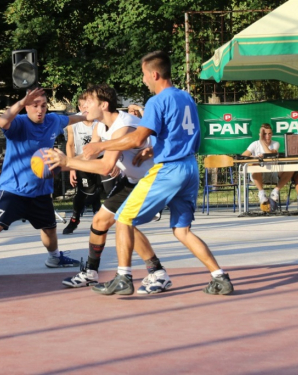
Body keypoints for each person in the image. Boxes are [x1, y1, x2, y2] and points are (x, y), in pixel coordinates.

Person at [82, 51, 234, 296]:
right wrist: (155, 147)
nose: (143, 80)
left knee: (123, 218)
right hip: (190, 167)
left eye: (144, 75)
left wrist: (101, 145)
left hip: (170, 169)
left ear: (154, 74)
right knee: (181, 231)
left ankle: (123, 276)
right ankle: (220, 277)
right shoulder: (187, 97)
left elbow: (136, 138)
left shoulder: (157, 101)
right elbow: (181, 134)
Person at [46, 84, 172, 294]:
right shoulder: (99, 126)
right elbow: (89, 156)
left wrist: (67, 161)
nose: (83, 106)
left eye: (89, 102)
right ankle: (92, 273)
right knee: (100, 220)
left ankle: (158, 273)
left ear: (103, 105)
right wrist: (61, 164)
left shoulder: (124, 125)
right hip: (132, 180)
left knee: (125, 222)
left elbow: (105, 165)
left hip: (152, 180)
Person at [0, 88, 87, 283]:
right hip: (13, 189)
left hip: (40, 190)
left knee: (49, 228)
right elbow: (2, 121)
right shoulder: (19, 123)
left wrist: (87, 115)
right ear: (27, 107)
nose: (40, 110)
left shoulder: (53, 120)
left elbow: (71, 119)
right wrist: (21, 102)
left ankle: (54, 258)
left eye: (43, 106)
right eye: (35, 106)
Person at [63, 92, 110, 235]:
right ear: (79, 106)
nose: (87, 108)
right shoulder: (73, 123)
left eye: (89, 105)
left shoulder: (99, 121)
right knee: (84, 192)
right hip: (82, 161)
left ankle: (100, 217)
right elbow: (70, 145)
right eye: (84, 105)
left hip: (100, 159)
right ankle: (75, 218)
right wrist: (72, 167)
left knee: (107, 189)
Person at [241, 123, 294, 212]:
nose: (267, 136)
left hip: (273, 172)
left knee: (291, 168)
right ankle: (262, 193)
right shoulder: (254, 144)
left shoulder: (275, 143)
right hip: (259, 175)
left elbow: (270, 153)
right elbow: (243, 156)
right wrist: (255, 157)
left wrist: (262, 142)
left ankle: (275, 191)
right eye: (264, 134)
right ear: (260, 135)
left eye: (269, 133)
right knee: (255, 166)